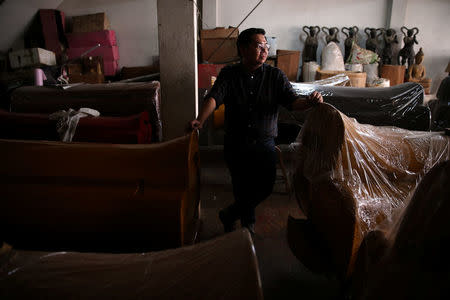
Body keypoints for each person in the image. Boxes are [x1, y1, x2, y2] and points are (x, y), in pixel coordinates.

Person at [188, 28, 323, 235]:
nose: (264, 50)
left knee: (266, 186)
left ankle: (230, 214)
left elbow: (292, 102)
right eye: (259, 46)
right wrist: (200, 120)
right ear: (243, 48)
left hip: (264, 142)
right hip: (236, 142)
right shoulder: (229, 74)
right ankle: (247, 226)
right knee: (241, 187)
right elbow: (214, 97)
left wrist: (310, 102)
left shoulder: (275, 76)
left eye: (266, 46)